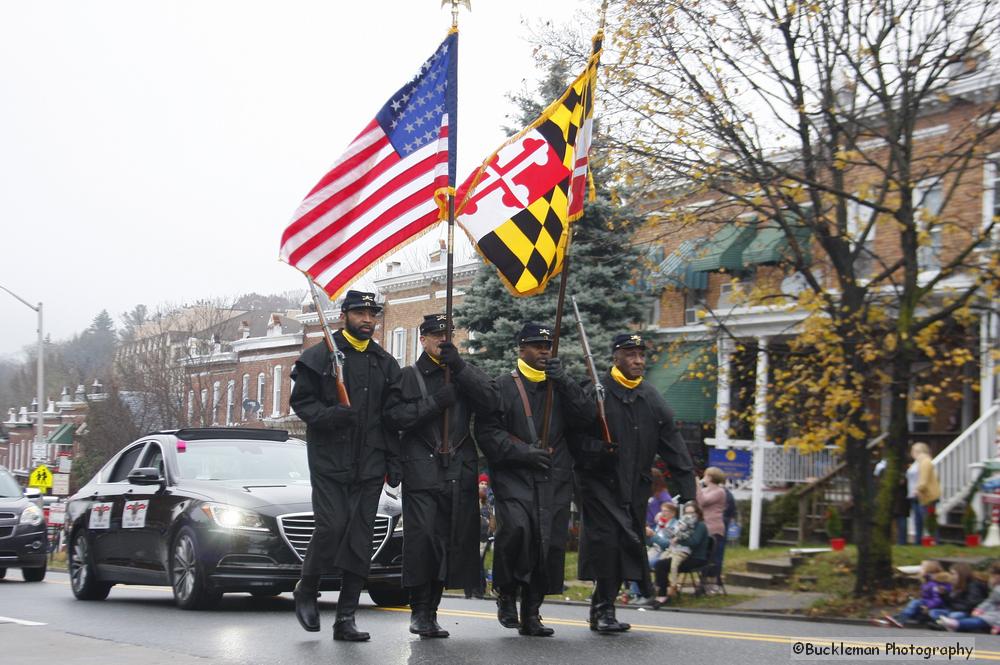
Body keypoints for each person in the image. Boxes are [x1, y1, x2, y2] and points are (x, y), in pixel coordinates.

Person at [289, 290, 402, 642]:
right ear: (344, 315)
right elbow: (302, 402)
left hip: (369, 463)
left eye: (372, 314)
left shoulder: (385, 362)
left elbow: (391, 417)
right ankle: (306, 589)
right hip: (330, 461)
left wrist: (394, 459)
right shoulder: (321, 355)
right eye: (360, 313)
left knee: (359, 538)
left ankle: (346, 617)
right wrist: (331, 415)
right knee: (332, 527)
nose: (367, 319)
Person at [570, 332, 697, 632]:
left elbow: (673, 445)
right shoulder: (595, 391)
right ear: (615, 357)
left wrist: (687, 490)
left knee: (626, 543)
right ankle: (604, 611)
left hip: (634, 488)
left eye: (641, 355)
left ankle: (602, 608)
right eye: (630, 354)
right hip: (598, 484)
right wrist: (597, 450)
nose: (638, 360)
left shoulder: (651, 397)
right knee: (609, 544)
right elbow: (573, 438)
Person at [475, 322, 596, 637]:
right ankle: (505, 592)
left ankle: (532, 612)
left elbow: (587, 417)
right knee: (517, 531)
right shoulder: (502, 386)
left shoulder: (560, 385)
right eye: (538, 346)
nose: (545, 351)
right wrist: (522, 452)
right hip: (516, 476)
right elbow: (487, 432)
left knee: (548, 544)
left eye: (548, 346)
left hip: (554, 478)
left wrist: (565, 381)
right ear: (521, 349)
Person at [383, 313, 499, 638]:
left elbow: (492, 402)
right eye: (434, 335)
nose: (441, 340)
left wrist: (460, 368)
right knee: (423, 540)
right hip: (422, 470)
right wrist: (434, 403)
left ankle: (432, 611)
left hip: (458, 472)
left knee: (450, 542)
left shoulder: (462, 374)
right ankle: (419, 611)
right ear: (422, 339)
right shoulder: (408, 377)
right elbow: (394, 417)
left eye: (446, 334)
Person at [653, 502, 709, 603]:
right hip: (682, 553)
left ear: (698, 513)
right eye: (687, 513)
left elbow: (694, 542)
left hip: (696, 557)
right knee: (660, 563)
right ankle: (664, 590)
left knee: (663, 565)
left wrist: (678, 539)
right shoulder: (685, 524)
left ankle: (665, 593)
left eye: (692, 513)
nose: (690, 515)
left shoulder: (700, 526)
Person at [876, 559, 951, 627]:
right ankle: (891, 620)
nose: (920, 569)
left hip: (932, 608)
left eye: (922, 567)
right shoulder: (928, 582)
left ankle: (900, 620)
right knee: (912, 608)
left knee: (915, 603)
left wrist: (928, 606)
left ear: (928, 570)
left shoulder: (933, 584)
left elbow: (937, 600)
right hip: (925, 605)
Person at [939, 561, 1000, 633]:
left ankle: (957, 624)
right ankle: (954, 624)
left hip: (993, 616)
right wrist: (979, 609)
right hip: (990, 613)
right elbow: (989, 601)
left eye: (953, 574)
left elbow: (971, 602)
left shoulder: (973, 585)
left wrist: (997, 625)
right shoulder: (996, 589)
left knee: (977, 620)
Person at [697, 466, 727, 593]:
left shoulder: (719, 491)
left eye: (706, 475)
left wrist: (697, 486)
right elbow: (698, 503)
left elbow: (703, 501)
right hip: (705, 527)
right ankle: (703, 583)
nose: (704, 478)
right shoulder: (706, 489)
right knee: (704, 556)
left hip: (714, 527)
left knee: (714, 557)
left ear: (711, 477)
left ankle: (715, 583)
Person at [911, 442, 941, 543]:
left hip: (928, 496)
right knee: (925, 520)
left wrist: (918, 489)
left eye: (913, 451)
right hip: (925, 495)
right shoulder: (923, 462)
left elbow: (924, 480)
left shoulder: (925, 462)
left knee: (928, 520)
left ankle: (934, 541)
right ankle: (927, 541)